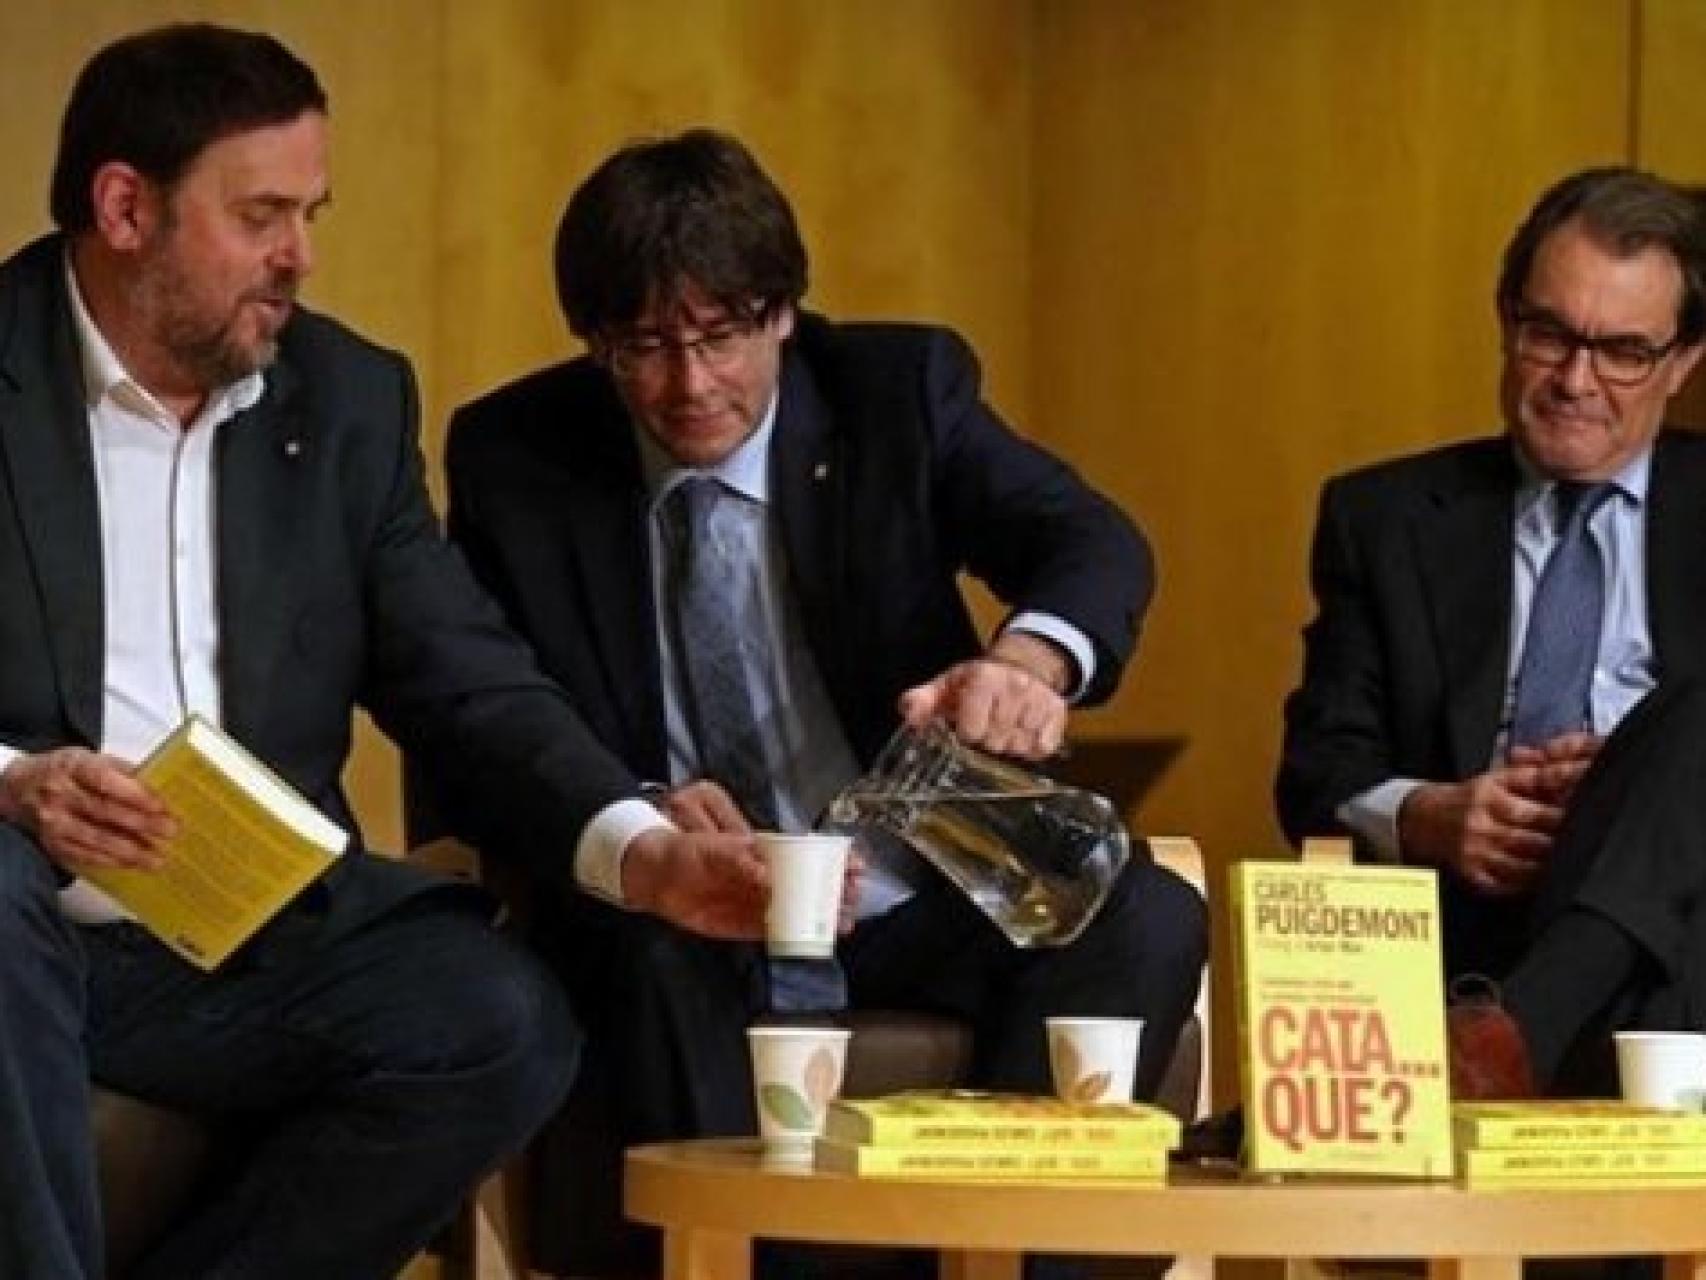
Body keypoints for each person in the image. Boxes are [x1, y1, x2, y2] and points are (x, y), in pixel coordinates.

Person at [0, 24, 728, 1280]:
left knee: (496, 1017)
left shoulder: (346, 399)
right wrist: (14, 778)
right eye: (263, 215)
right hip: (26, 911)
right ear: (125, 206)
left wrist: (637, 839)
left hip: (245, 933)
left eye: (310, 212)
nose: (300, 257)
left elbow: (463, 671)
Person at [435, 127, 1209, 1277]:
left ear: (783, 311)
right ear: (596, 342)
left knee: (1142, 911)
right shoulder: (515, 453)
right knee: (644, 957)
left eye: (720, 335)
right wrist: (642, 817)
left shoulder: (898, 391)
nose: (688, 383)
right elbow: (483, 730)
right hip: (694, 904)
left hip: (920, 862)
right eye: (641, 344)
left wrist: (1026, 663)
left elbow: (1089, 541)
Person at [1277, 165, 1706, 1099]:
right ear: (1507, 319)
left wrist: (1631, 794)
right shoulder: (1386, 518)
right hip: (1473, 924)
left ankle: (1507, 1040)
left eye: (1625, 351)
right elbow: (1315, 772)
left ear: (1682, 362)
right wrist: (1431, 815)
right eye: (1549, 334)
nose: (1575, 380)